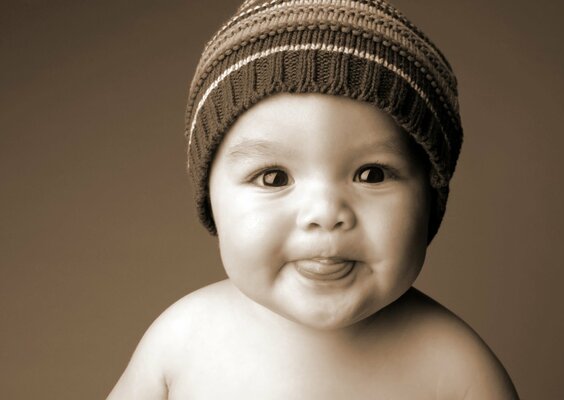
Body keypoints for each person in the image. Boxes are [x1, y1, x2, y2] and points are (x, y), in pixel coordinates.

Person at [108, 0, 519, 398]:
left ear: (431, 196)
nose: (325, 213)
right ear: (210, 199)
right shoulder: (182, 339)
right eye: (274, 177)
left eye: (371, 174)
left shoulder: (456, 369)